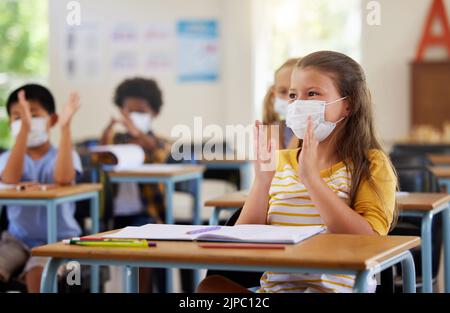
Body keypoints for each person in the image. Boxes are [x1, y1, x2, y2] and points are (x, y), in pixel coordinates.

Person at [197, 51, 398, 293]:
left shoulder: (372, 164)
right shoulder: (281, 160)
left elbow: (368, 242)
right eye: (293, 95)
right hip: (276, 291)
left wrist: (312, 180)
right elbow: (244, 240)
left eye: (312, 94)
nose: (299, 103)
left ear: (348, 104)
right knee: (210, 288)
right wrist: (262, 182)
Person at [0, 84, 82, 293]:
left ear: (51, 120)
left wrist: (65, 128)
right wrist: (24, 130)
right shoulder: (6, 158)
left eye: (32, 115)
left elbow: (63, 177)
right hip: (16, 240)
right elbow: (10, 178)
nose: (25, 120)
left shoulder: (65, 154)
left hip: (57, 241)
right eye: (17, 117)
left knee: (38, 274)